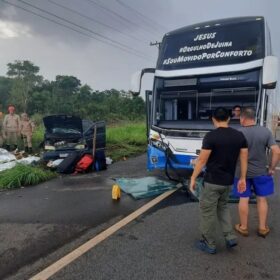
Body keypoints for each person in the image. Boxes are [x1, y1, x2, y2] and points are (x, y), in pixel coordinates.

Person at [190, 107, 248, 254]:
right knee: (223, 208)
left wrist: (193, 177)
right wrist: (242, 178)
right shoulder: (239, 136)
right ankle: (229, 236)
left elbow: (202, 160)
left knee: (207, 211)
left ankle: (209, 243)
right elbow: (244, 159)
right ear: (228, 118)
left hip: (212, 182)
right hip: (228, 182)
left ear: (213, 119)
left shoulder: (211, 137)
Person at [233, 108, 280, 238]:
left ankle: (243, 227)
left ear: (242, 118)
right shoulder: (265, 131)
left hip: (241, 173)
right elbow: (277, 151)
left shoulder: (238, 133)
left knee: (244, 198)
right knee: (262, 199)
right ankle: (262, 228)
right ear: (254, 117)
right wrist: (271, 167)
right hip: (261, 172)